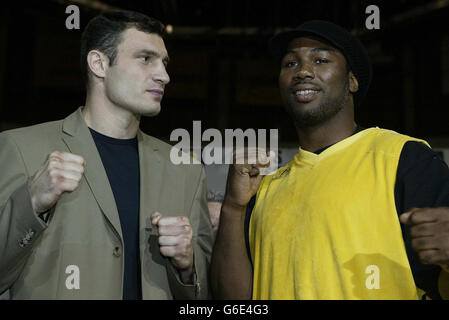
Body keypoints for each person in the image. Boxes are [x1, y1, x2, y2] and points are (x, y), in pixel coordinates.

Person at [211, 20, 449, 300]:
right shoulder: (264, 189)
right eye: (290, 64)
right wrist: (233, 208)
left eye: (320, 59)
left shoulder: (403, 157)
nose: (303, 71)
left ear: (351, 80)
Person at [0, 10, 214, 299]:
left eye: (164, 63)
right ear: (99, 63)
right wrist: (31, 205)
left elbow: (200, 298)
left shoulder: (187, 171)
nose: (164, 75)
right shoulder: (20, 149)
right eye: (145, 58)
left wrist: (186, 267)